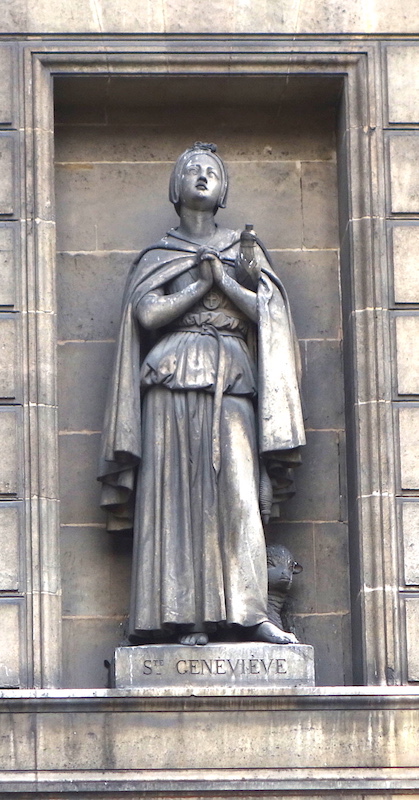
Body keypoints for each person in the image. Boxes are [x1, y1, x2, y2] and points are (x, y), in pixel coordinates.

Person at [98, 142, 305, 646]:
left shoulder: (244, 250)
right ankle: (182, 618)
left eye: (212, 170)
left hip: (231, 376)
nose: (202, 175)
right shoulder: (158, 255)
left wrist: (225, 281)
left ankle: (252, 614)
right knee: (173, 493)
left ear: (224, 190)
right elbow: (146, 315)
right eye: (191, 169)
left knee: (237, 492)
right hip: (169, 380)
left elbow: (269, 316)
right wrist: (198, 287)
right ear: (176, 187)